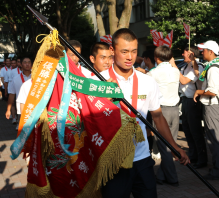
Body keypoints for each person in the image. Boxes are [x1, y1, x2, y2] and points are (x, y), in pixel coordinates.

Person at [93, 28, 189, 197]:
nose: (130, 57)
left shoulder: (147, 81)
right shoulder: (97, 82)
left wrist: (174, 146)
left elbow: (158, 117)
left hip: (142, 159)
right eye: (124, 52)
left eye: (134, 51)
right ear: (112, 51)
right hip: (114, 161)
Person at [146, 45, 180, 187]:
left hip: (161, 112)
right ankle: (161, 176)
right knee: (171, 142)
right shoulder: (176, 71)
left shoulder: (153, 73)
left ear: (156, 58)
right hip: (175, 110)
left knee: (164, 146)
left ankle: (172, 178)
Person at [171, 46, 207, 169]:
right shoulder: (186, 66)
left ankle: (202, 159)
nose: (182, 54)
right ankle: (193, 156)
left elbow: (184, 80)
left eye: (185, 53)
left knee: (195, 131)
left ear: (191, 54)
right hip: (185, 100)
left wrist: (174, 66)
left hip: (193, 101)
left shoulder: (198, 66)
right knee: (187, 130)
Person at [194, 40, 219, 180]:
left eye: (203, 50)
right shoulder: (214, 65)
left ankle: (217, 170)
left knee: (214, 140)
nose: (201, 52)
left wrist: (199, 91)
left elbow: (213, 91)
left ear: (211, 51)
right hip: (215, 106)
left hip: (212, 106)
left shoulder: (213, 68)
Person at [6, 57, 32, 129]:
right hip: (22, 108)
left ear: (31, 64)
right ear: (21, 64)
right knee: (24, 131)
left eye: (29, 62)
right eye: (25, 62)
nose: (27, 64)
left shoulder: (36, 77)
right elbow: (11, 94)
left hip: (35, 107)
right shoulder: (16, 79)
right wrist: (8, 110)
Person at [6, 59, 20, 124]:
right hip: (13, 90)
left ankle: (18, 118)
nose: (14, 64)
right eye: (12, 63)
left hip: (21, 90)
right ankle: (14, 118)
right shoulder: (11, 71)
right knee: (13, 104)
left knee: (19, 106)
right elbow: (9, 82)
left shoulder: (23, 70)